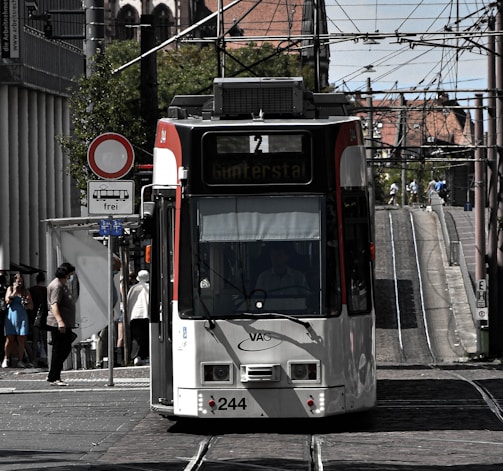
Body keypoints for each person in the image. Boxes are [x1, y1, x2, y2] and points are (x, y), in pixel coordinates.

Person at [46, 263, 77, 385]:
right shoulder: (57, 286)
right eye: (71, 274)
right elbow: (54, 304)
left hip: (65, 322)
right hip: (58, 323)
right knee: (59, 349)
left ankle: (54, 374)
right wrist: (60, 321)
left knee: (64, 348)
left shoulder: (62, 285)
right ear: (67, 274)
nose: (72, 276)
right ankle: (54, 376)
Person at [2, 273, 33, 368]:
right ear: (14, 281)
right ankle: (6, 358)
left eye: (21, 281)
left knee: (21, 338)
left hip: (22, 315)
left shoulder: (25, 291)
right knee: (10, 338)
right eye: (18, 281)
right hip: (12, 315)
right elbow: (7, 301)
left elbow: (31, 306)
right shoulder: (10, 289)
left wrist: (27, 304)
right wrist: (14, 291)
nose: (20, 283)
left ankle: (20, 360)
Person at [127, 270, 150, 366]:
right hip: (145, 315)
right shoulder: (149, 288)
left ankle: (135, 356)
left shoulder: (133, 288)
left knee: (136, 337)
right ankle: (142, 356)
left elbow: (128, 302)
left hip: (134, 316)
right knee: (145, 337)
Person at [29, 272, 48, 367]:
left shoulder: (31, 290)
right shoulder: (46, 290)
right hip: (44, 317)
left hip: (34, 318)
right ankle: (48, 358)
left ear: (36, 280)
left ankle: (34, 359)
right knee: (45, 339)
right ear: (43, 280)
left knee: (35, 340)